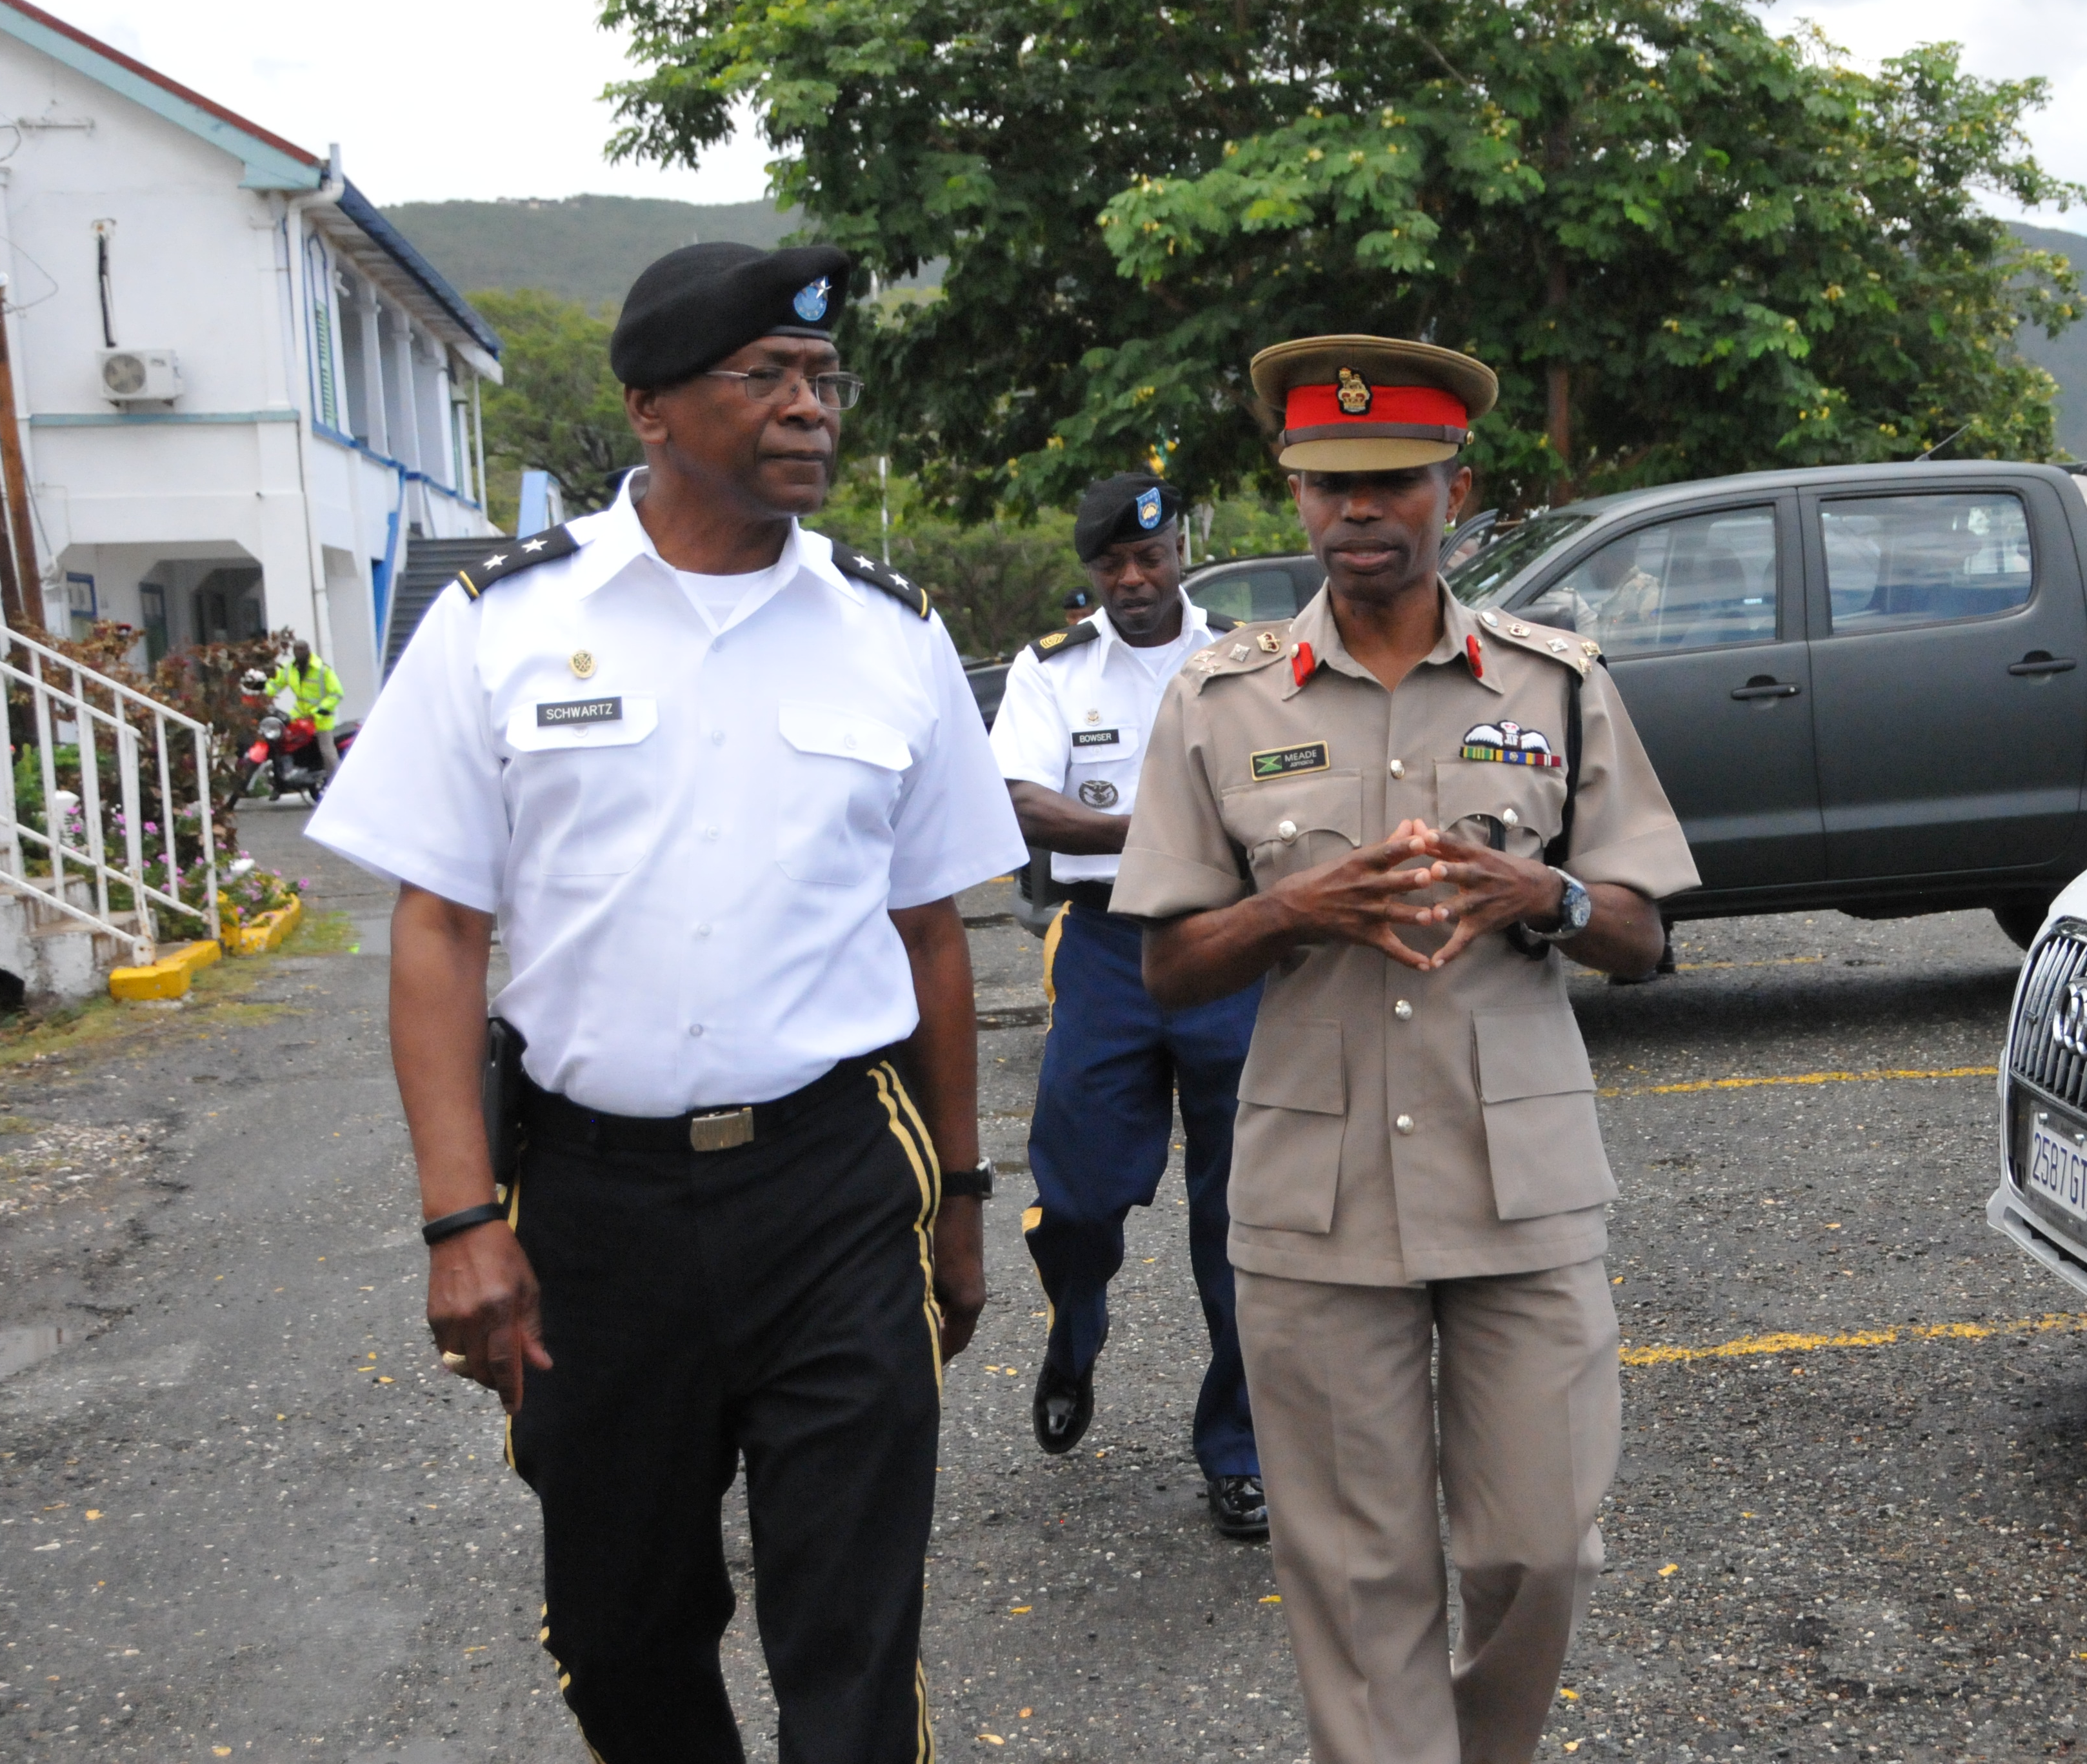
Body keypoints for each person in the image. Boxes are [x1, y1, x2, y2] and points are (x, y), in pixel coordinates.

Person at [304, 239, 1023, 1764]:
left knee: (851, 1632)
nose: (809, 406)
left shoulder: (890, 635)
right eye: (765, 376)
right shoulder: (503, 619)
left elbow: (933, 934)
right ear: (649, 407)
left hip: (836, 1180)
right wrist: (458, 1218)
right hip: (593, 1203)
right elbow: (439, 929)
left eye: (823, 377)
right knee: (620, 1627)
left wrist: (960, 1196)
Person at [1112, 335, 1700, 1764]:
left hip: (1518, 1183)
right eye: (1329, 484)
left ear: (1456, 489)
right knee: (1355, 1572)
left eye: (1393, 480)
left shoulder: (1555, 683)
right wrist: (1292, 908)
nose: (1359, 509)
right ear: (1294, 494)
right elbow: (1168, 965)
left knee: (1539, 1542)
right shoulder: (1219, 699)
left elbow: (1641, 932)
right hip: (1314, 1203)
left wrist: (1542, 894)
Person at [986, 473, 1266, 1536]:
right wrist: (1161, 834)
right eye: (1113, 564)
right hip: (1107, 945)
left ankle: (1239, 1447)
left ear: (1180, 551)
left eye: (1150, 557)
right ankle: (1075, 1327)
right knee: (1078, 1195)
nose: (1135, 578)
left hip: (1231, 940)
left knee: (1244, 1209)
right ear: (1093, 573)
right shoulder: (1053, 669)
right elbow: (1022, 798)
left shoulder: (1249, 658)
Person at [263, 638, 345, 779]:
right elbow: (275, 685)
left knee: (327, 751)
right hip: (299, 716)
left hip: (320, 719)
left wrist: (319, 711)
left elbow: (337, 694)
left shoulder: (322, 670)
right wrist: (261, 693)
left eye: (302, 649)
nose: (299, 653)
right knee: (283, 743)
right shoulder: (290, 669)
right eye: (296, 650)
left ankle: (337, 781)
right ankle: (289, 775)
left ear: (308, 650)